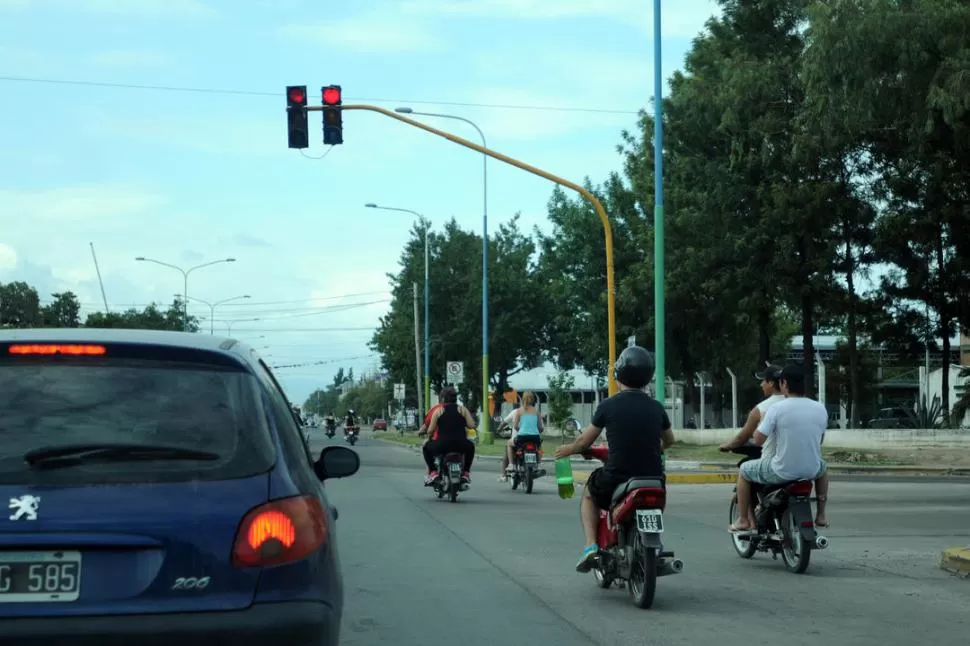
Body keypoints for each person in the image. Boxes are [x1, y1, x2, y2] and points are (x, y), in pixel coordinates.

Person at [555, 345, 675, 572]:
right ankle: (654, 547)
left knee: (590, 494)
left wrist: (568, 449)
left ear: (619, 374)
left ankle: (590, 546)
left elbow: (584, 442)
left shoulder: (608, 405)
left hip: (617, 476)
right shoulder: (657, 408)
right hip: (654, 479)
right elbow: (669, 440)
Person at [729, 363, 830, 533]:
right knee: (823, 467)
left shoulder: (776, 409)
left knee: (744, 470)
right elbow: (819, 440)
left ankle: (743, 520)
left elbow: (759, 440)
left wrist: (760, 424)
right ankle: (821, 515)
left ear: (783, 383)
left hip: (781, 470)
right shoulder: (820, 408)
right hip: (811, 470)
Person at [719, 364, 786, 452]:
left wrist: (724, 446)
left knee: (745, 464)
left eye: (763, 381)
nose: (761, 385)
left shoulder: (761, 408)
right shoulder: (796, 403)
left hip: (771, 458)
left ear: (771, 383)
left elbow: (741, 439)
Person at [422, 387, 477, 486]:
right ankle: (466, 473)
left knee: (426, 447)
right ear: (456, 398)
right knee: (471, 446)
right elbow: (472, 425)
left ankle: (434, 473)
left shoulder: (438, 411)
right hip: (461, 445)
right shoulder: (462, 410)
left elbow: (430, 430)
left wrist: (429, 436)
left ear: (443, 399)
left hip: (442, 445)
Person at [499, 391, 543, 481]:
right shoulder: (536, 412)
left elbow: (515, 426)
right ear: (533, 400)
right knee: (538, 448)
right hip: (535, 438)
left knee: (509, 443)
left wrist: (522, 431)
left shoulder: (519, 411)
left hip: (522, 438)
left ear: (522, 399)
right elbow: (540, 428)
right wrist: (535, 431)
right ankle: (538, 463)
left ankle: (511, 464)